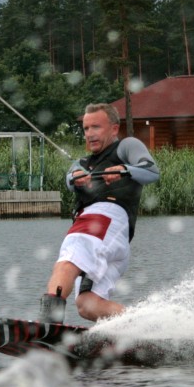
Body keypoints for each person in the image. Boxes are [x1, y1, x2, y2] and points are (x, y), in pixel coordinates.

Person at [39, 103, 160, 323]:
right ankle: (147, 327)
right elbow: (68, 180)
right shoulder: (83, 163)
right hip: (111, 239)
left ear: (114, 129)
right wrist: (76, 177)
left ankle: (48, 324)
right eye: (86, 129)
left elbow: (151, 171)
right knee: (87, 304)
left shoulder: (126, 147)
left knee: (68, 261)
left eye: (96, 127)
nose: (90, 134)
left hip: (103, 222)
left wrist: (124, 170)